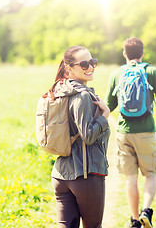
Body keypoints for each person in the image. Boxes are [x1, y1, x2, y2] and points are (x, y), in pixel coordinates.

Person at [105, 38, 156, 228]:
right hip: (146, 132)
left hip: (124, 132)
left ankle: (134, 220)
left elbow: (109, 105)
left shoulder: (117, 73)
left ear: (124, 53)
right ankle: (146, 211)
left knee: (130, 178)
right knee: (151, 174)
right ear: (143, 53)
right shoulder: (151, 71)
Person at [49, 46, 111, 228]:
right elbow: (88, 135)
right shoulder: (83, 95)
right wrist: (105, 115)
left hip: (60, 175)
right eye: (84, 64)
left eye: (92, 62)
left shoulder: (59, 90)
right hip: (86, 175)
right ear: (69, 68)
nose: (90, 67)